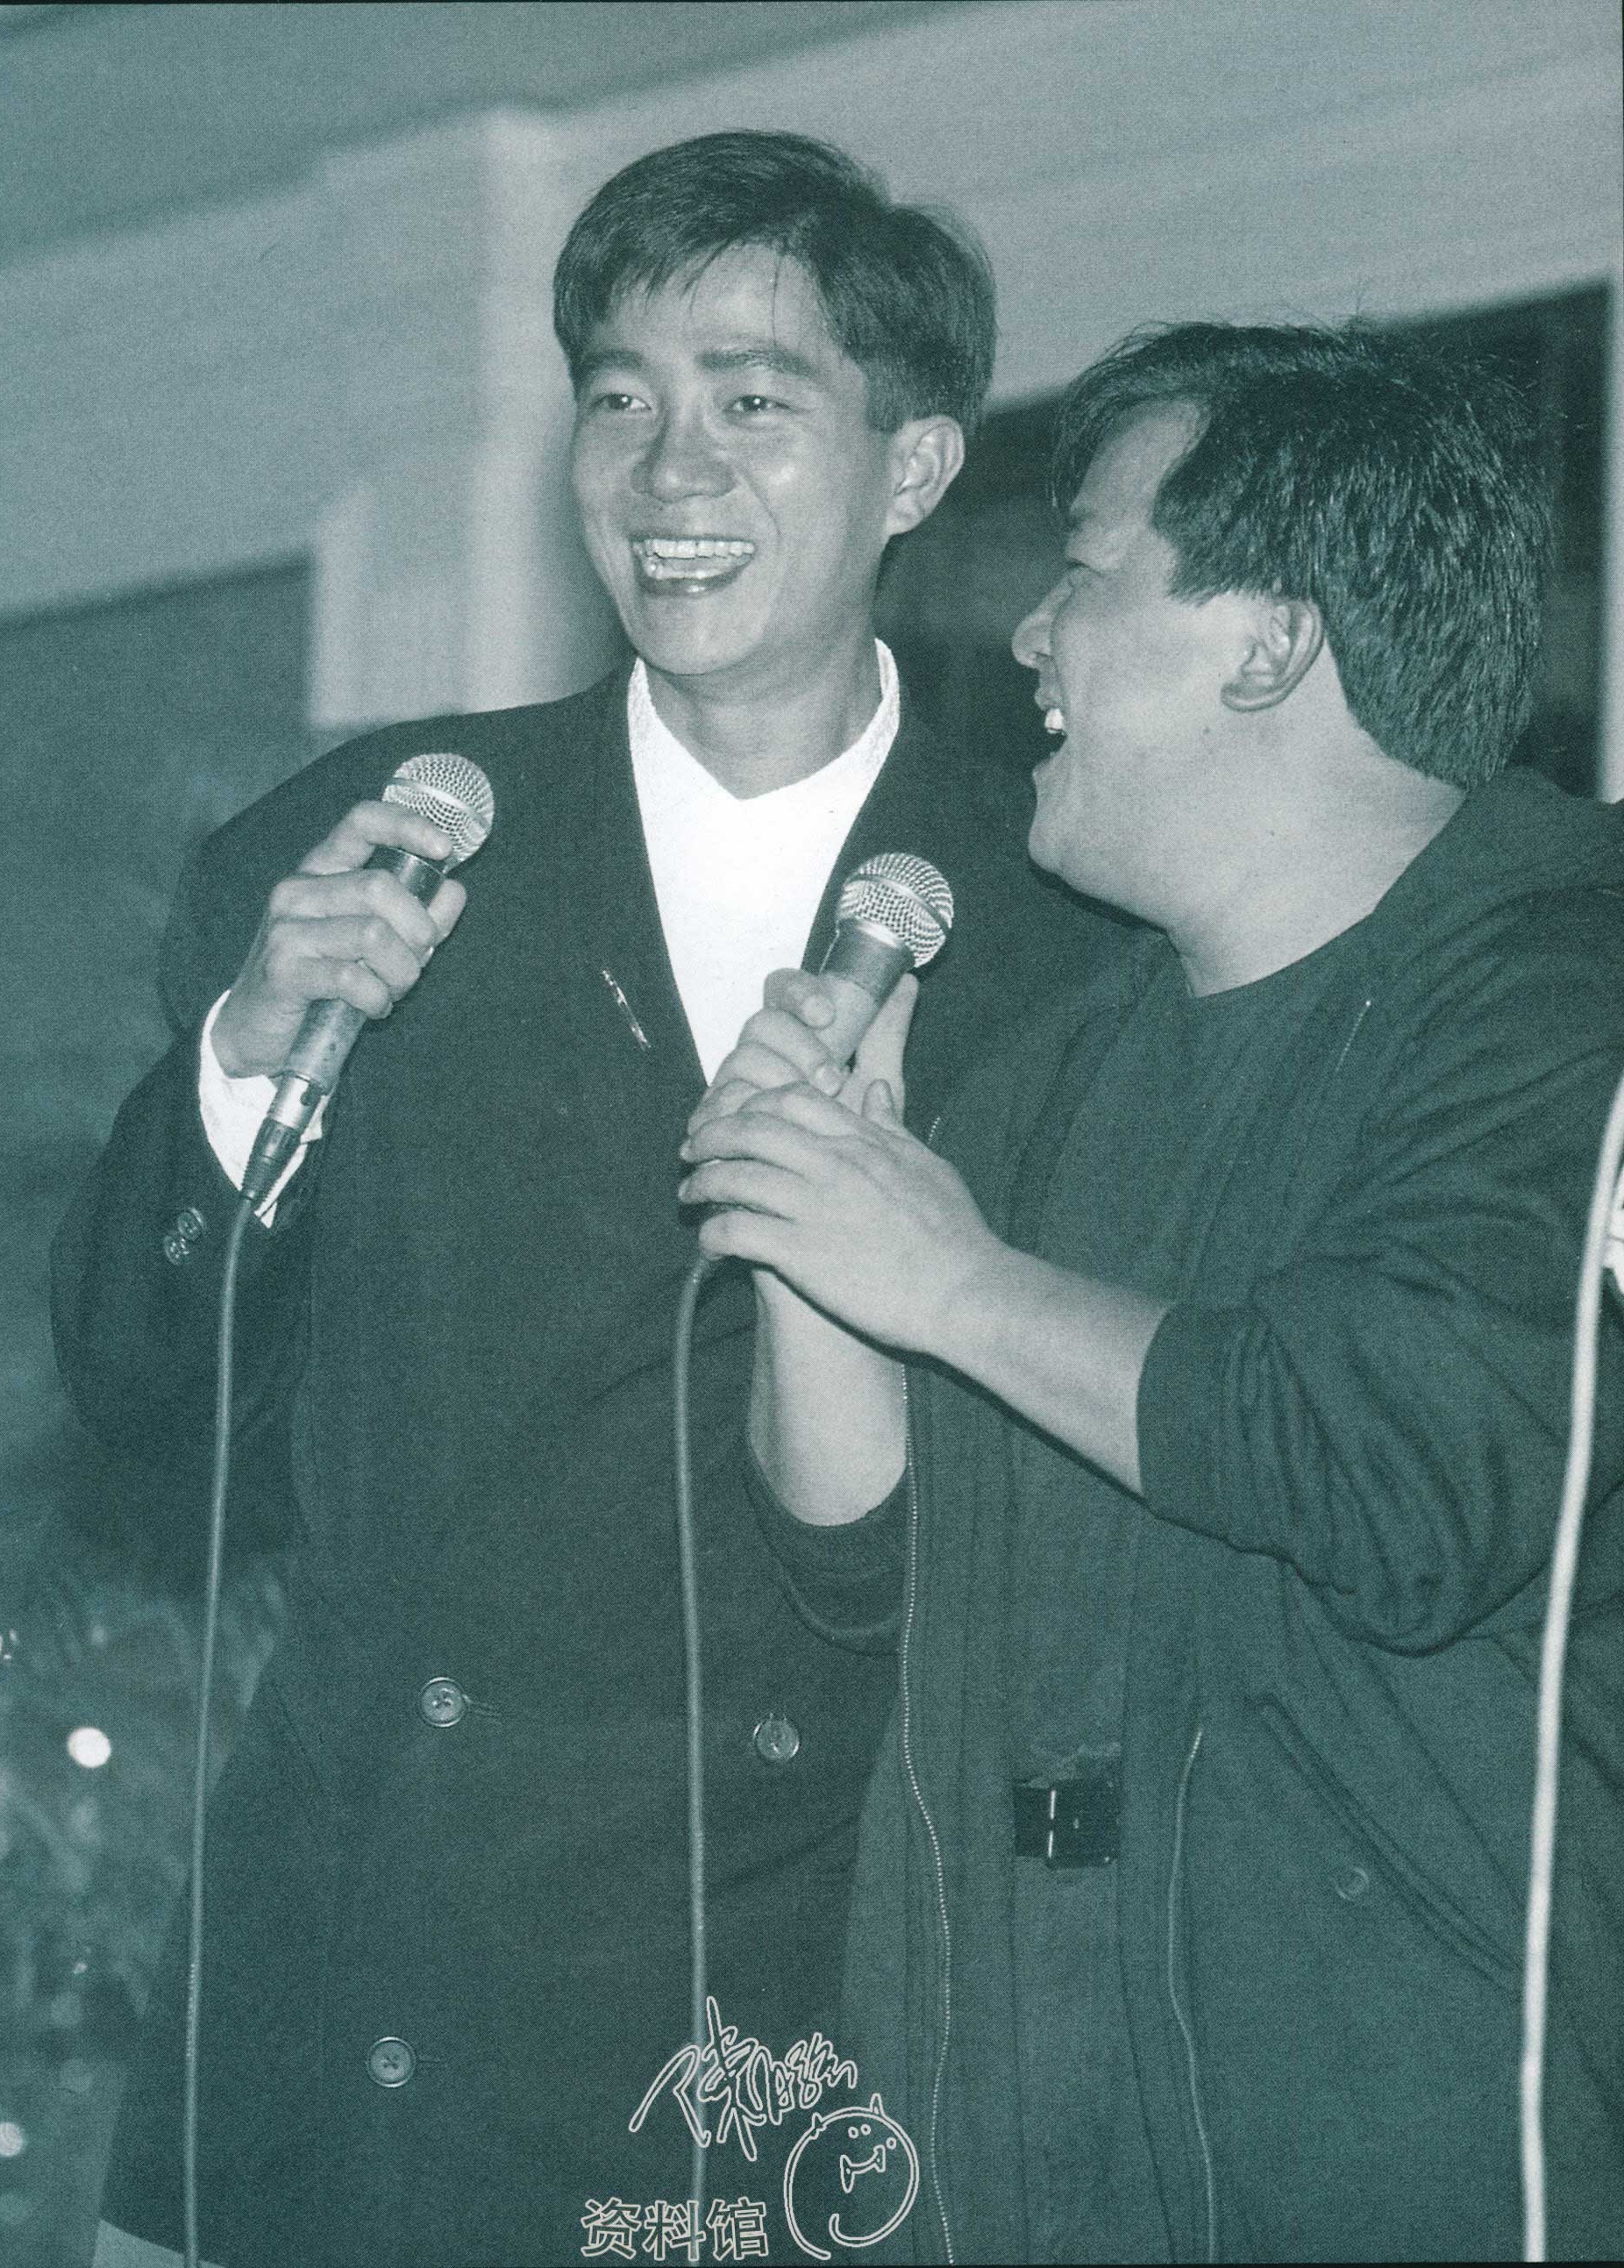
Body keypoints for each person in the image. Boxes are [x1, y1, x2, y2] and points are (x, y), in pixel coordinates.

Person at [54, 132, 1108, 2266]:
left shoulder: (1068, 919)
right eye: (617, 398)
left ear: (913, 467)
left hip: (841, 1973)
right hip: (391, 1954)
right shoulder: (372, 841)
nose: (665, 471)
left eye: (751, 400)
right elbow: (146, 1389)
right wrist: (251, 1052)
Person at [680, 320, 1624, 2263]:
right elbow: (861, 1570)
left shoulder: (1567, 994)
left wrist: (952, 1279)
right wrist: (819, 1224)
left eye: (1088, 569)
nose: (1028, 634)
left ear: (1267, 642)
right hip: (1000, 2142)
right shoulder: (1054, 1070)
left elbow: (1402, 1465)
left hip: (1397, 2149)